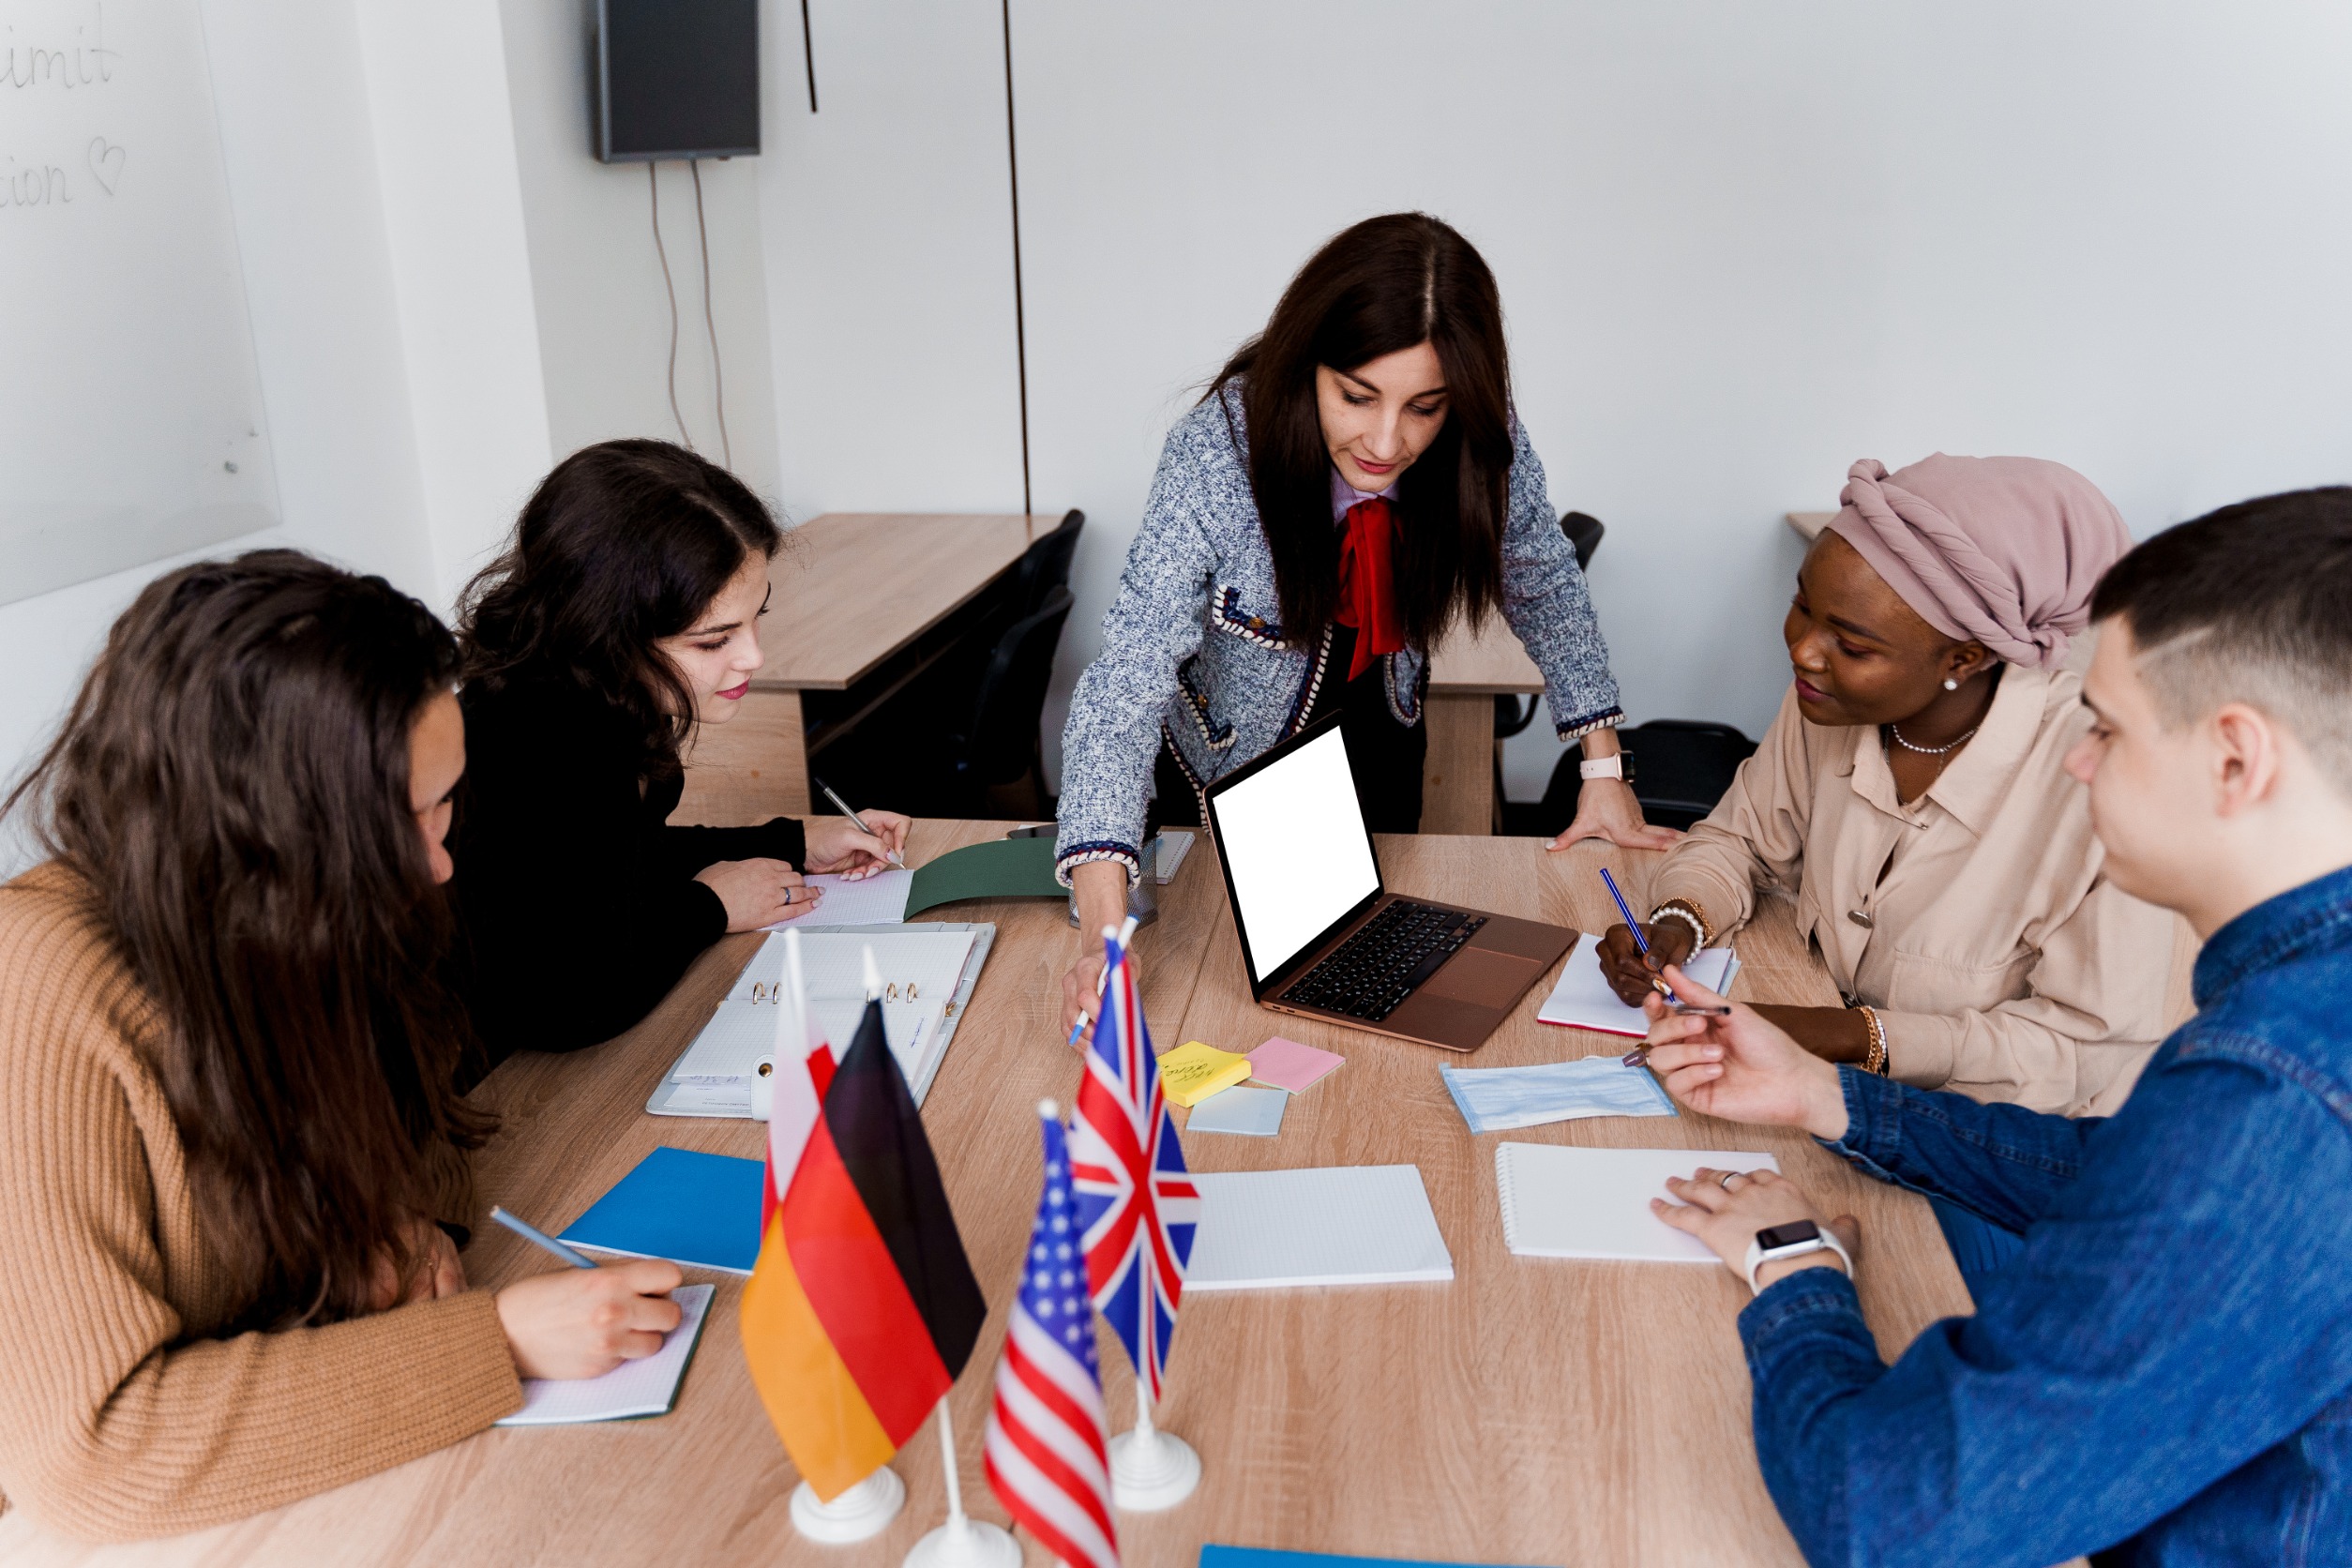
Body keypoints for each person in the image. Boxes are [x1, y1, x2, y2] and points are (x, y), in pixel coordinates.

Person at [1638, 488, 2352, 1566]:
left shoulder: (2270, 1099)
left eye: (2105, 729)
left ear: (2237, 760)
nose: (2076, 758)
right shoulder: (2288, 1022)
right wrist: (1828, 1095)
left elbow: (1888, 1517)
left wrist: (1793, 1266)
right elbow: (2107, 1170)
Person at [0, 551, 686, 1540]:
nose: (439, 863)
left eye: (445, 802)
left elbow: (430, 1132)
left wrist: (402, 1229)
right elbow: (92, 1451)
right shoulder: (42, 983)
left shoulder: (312, 909)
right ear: (253, 830)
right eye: (397, 823)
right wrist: (494, 1341)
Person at [1055, 212, 1666, 1027]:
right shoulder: (1217, 454)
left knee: (1373, 987)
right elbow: (1126, 678)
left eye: (1425, 407)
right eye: (1356, 396)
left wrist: (1602, 769)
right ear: (1306, 362)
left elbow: (1545, 582)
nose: (1387, 441)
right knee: (1219, 999)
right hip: (1225, 776)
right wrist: (1103, 931)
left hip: (1376, 732)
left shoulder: (1481, 437)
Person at [1599, 454, 2178, 1116]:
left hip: (2001, 1144)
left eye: (1852, 644)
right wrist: (1677, 922)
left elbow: (2080, 1052)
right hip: (1819, 1096)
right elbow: (1740, 840)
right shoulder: (1829, 698)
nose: (1804, 651)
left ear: (1965, 658)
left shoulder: (2101, 786)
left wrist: (1851, 1038)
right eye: (1801, 606)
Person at [447, 440, 906, 1064]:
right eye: (715, 639)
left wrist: (793, 842)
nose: (753, 657)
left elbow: (614, 859)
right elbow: (576, 1000)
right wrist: (712, 908)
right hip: (506, 1077)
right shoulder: (534, 743)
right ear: (606, 631)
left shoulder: (606, 694)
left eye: (754, 619)